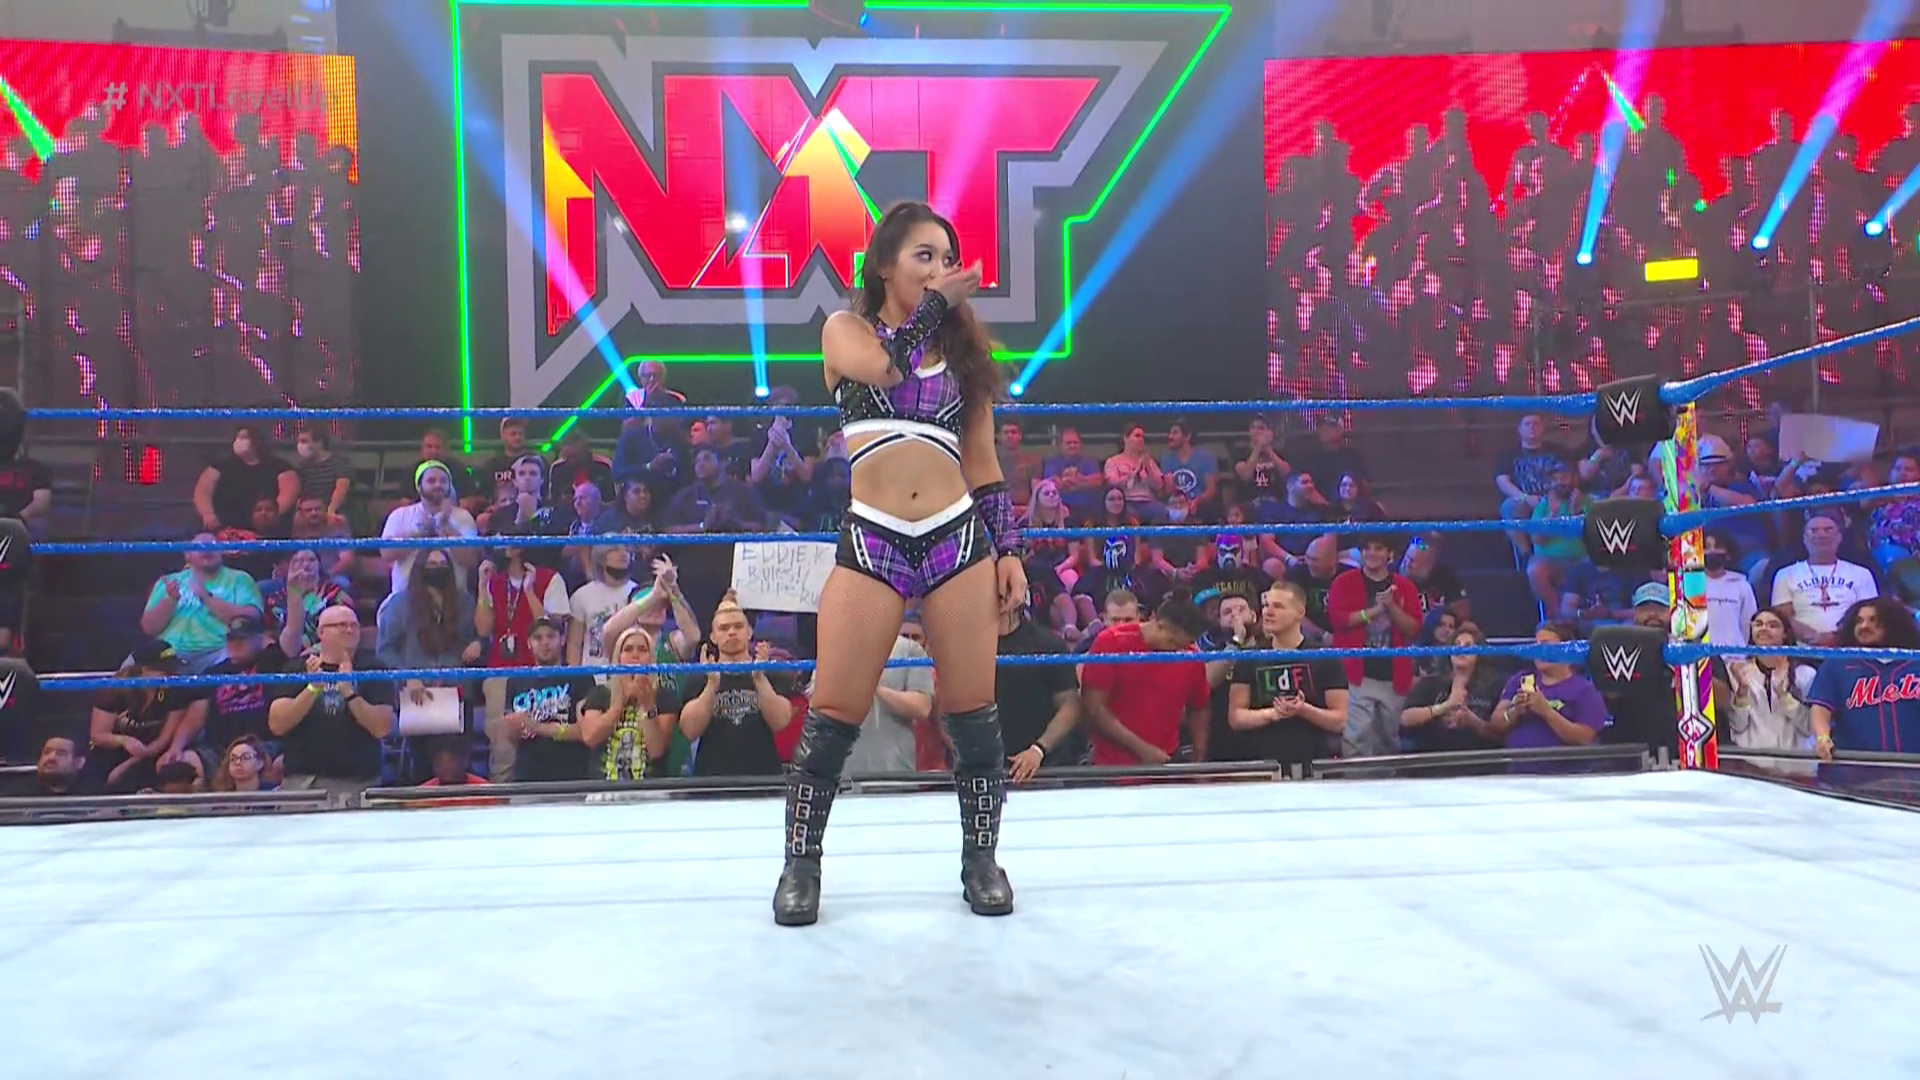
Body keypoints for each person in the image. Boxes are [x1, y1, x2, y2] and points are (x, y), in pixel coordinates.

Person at [774, 201, 1028, 927]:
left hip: (956, 536)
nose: (939, 269)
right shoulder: (845, 331)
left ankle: (981, 860)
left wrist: (1009, 549)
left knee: (973, 713)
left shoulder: (964, 360)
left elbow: (983, 464)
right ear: (884, 265)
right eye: (924, 256)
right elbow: (887, 369)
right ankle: (801, 866)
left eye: (947, 258)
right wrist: (940, 304)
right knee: (834, 711)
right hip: (875, 535)